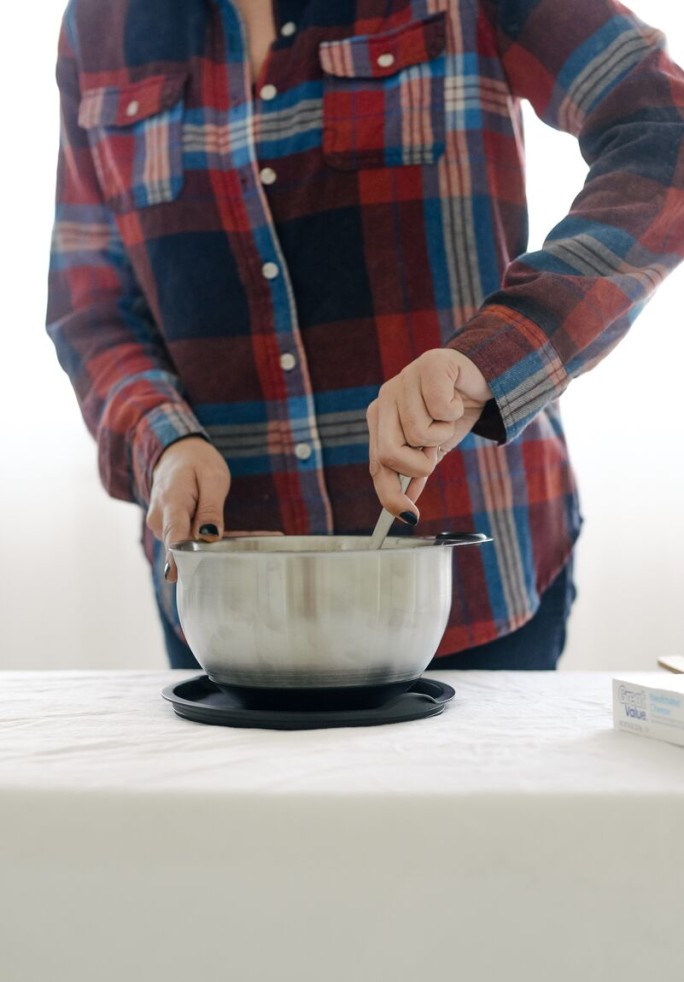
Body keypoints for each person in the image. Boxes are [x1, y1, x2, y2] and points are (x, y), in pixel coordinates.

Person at [47, 0, 684, 671]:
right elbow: (90, 302)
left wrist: (495, 357)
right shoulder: (99, 25)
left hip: (471, 599)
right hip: (227, 613)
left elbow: (665, 132)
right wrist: (163, 440)